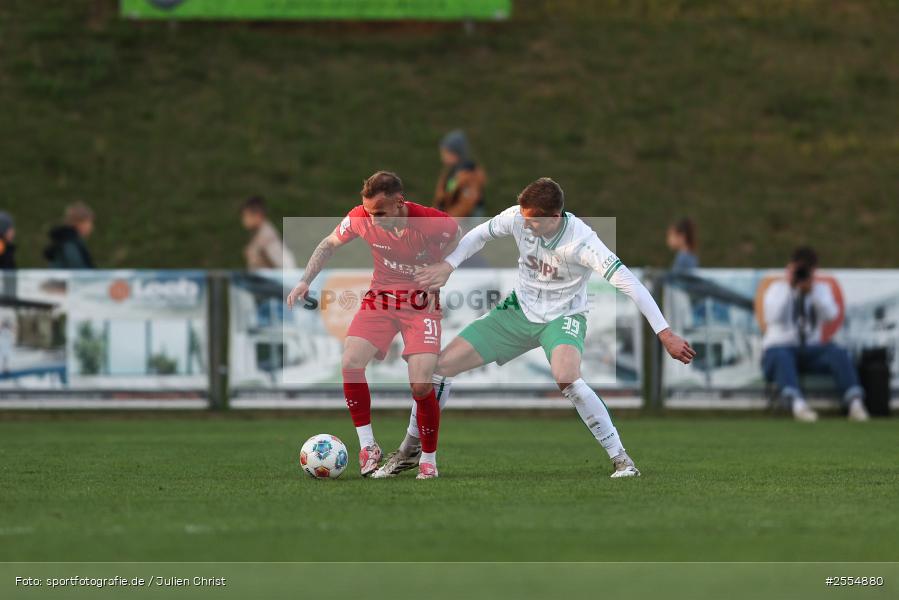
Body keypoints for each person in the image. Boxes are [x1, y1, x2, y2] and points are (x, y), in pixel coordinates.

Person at [374, 177, 695, 479]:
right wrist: (448, 265)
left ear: (555, 217)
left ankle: (622, 460)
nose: (524, 224)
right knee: (439, 368)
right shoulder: (518, 217)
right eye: (524, 218)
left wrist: (664, 333)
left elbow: (630, 284)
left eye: (533, 221)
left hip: (563, 317)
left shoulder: (583, 242)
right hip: (517, 312)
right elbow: (479, 234)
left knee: (566, 377)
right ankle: (409, 450)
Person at [286, 171, 460, 479]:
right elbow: (328, 244)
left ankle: (428, 460)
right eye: (369, 212)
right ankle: (368, 446)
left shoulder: (432, 222)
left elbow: (458, 236)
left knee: (421, 384)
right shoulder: (360, 218)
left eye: (380, 213)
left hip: (421, 304)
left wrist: (444, 266)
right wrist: (304, 281)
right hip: (380, 298)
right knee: (351, 362)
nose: (373, 219)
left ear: (399, 203)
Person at [760, 246, 869, 422]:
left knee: (838, 353)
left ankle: (855, 404)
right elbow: (772, 317)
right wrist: (791, 288)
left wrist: (813, 293)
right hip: (780, 348)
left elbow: (831, 315)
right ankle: (798, 405)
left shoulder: (821, 289)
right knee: (781, 356)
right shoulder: (777, 288)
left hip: (812, 350)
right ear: (790, 267)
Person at [433, 130, 487, 219]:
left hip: (467, 224)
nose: (442, 155)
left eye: (446, 152)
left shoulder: (470, 173)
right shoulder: (452, 172)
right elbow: (445, 195)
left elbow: (466, 204)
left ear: (455, 153)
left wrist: (446, 219)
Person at [241, 196, 297, 270]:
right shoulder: (259, 233)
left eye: (246, 216)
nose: (244, 220)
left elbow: (284, 265)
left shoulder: (267, 236)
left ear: (258, 216)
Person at [44, 202, 95, 269]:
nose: (91, 227)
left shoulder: (64, 241)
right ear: (79, 223)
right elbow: (79, 271)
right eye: (89, 222)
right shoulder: (69, 243)